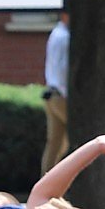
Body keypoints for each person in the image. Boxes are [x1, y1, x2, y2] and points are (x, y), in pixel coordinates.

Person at [42, 12, 69, 176]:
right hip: (61, 96)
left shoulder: (55, 33)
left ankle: (45, 181)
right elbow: (63, 69)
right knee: (83, 137)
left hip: (51, 93)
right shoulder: (65, 37)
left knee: (55, 143)